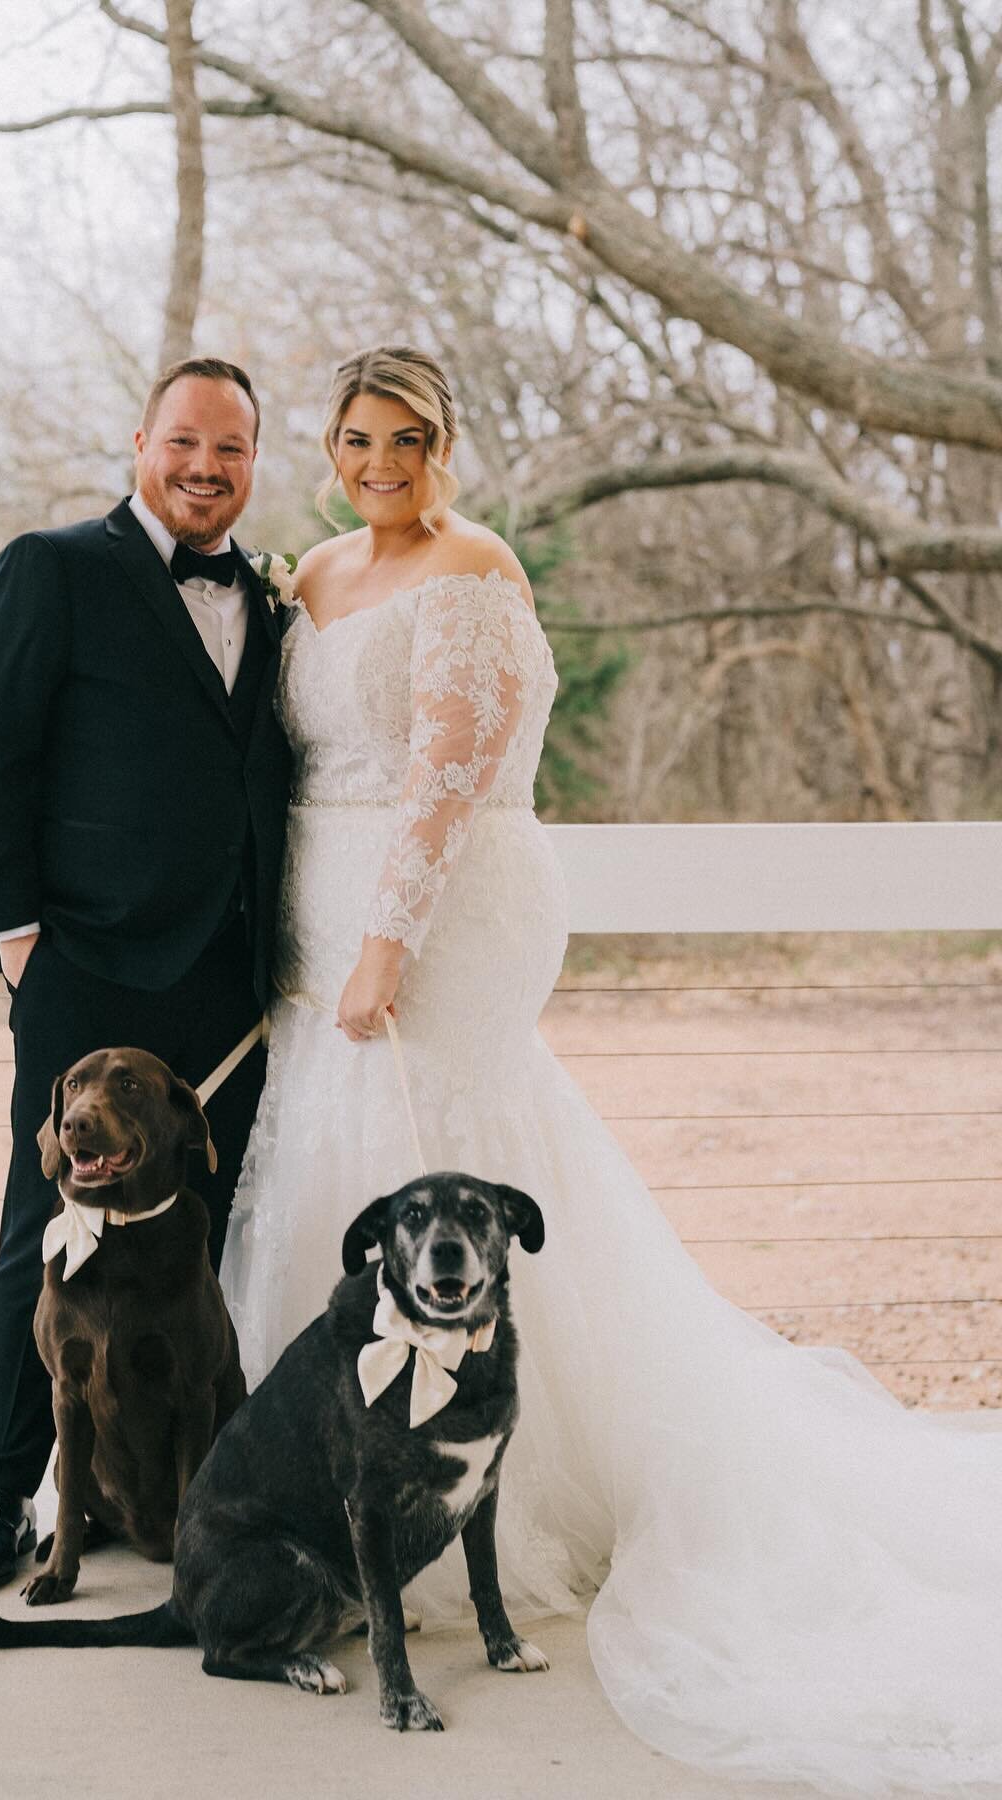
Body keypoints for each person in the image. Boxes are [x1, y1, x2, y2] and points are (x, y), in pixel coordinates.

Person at [220, 343, 1002, 1788]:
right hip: (313, 923)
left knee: (443, 1158)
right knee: (340, 1160)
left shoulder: (473, 564)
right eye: (353, 439)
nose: (377, 462)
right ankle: (329, 1490)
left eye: (403, 437)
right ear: (327, 449)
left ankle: (486, 1502)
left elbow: (451, 766)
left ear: (444, 441)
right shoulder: (317, 574)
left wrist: (388, 942)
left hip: (441, 916)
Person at [0, 357, 292, 1593]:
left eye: (233, 450)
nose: (206, 468)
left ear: (256, 462)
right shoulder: (53, 569)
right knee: (44, 1232)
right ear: (140, 439)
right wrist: (18, 934)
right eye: (186, 442)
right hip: (87, 973)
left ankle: (189, 1496)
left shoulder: (275, 595)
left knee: (196, 1236)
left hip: (227, 990)